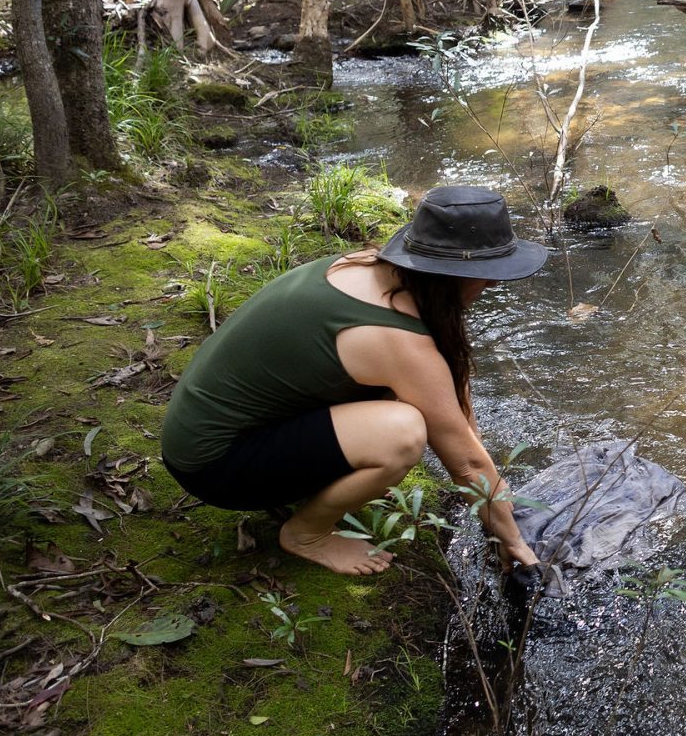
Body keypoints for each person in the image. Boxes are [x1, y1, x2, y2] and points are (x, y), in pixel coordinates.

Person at [161, 184, 547, 577]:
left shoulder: (371, 269)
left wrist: (486, 475)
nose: (494, 285)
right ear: (450, 275)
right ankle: (306, 534)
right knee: (402, 433)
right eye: (487, 274)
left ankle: (316, 491)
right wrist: (512, 538)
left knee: (412, 410)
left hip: (212, 432)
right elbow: (463, 462)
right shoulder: (396, 340)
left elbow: (450, 397)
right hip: (214, 465)